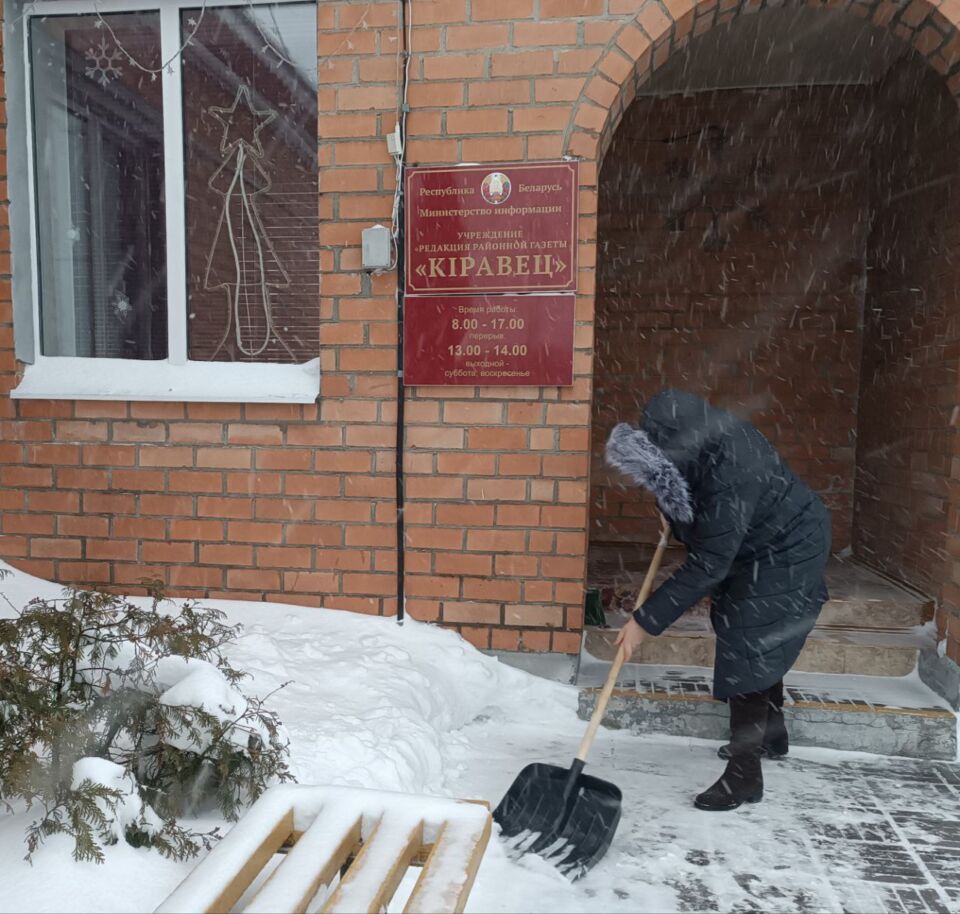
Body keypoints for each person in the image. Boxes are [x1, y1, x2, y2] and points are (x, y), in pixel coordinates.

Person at [604, 389, 831, 812]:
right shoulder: (704, 443)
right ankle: (770, 730)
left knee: (749, 641)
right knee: (747, 630)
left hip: (788, 547)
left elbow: (709, 563)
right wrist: (673, 510)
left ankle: (744, 776)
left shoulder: (734, 471)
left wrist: (644, 621)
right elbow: (697, 496)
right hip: (758, 540)